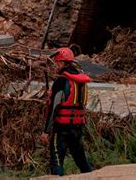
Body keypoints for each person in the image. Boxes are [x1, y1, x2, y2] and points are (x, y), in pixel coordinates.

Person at [40, 47, 93, 175]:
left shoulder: (61, 81)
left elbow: (53, 107)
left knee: (56, 161)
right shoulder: (81, 81)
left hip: (62, 128)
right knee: (81, 160)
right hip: (77, 126)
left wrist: (46, 131)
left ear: (62, 63)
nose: (56, 66)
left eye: (57, 63)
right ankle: (92, 176)